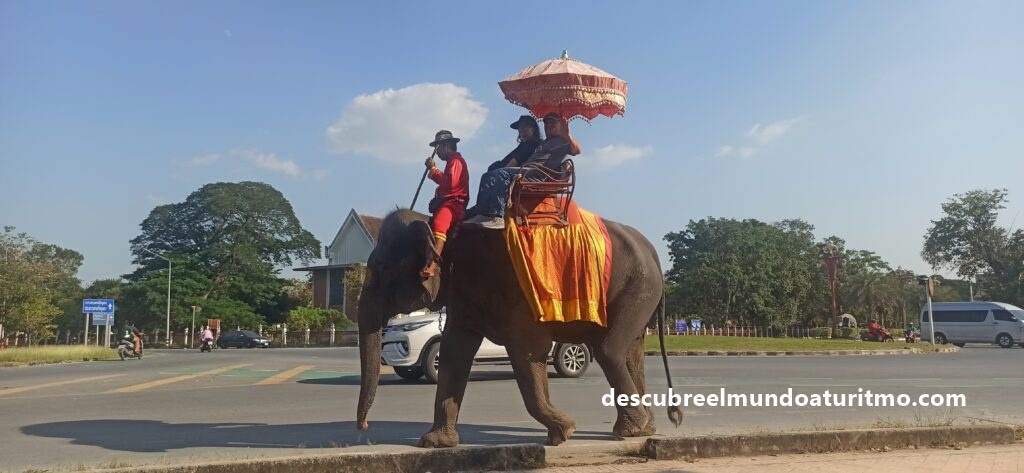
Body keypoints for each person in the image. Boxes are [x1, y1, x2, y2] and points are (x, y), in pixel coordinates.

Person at [463, 112, 581, 230]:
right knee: (487, 176)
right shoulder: (545, 142)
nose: (548, 125)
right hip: (527, 170)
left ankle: (497, 216)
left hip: (536, 174)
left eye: (553, 122)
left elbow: (576, 151)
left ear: (561, 125)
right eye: (546, 123)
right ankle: (482, 213)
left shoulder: (563, 141)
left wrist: (568, 134)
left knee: (501, 173)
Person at [421, 130, 470, 277]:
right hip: (447, 201)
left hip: (454, 203)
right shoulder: (451, 161)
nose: (438, 151)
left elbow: (450, 183)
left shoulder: (456, 161)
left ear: (448, 146)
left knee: (439, 223)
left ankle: (433, 265)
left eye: (439, 147)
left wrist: (433, 169)